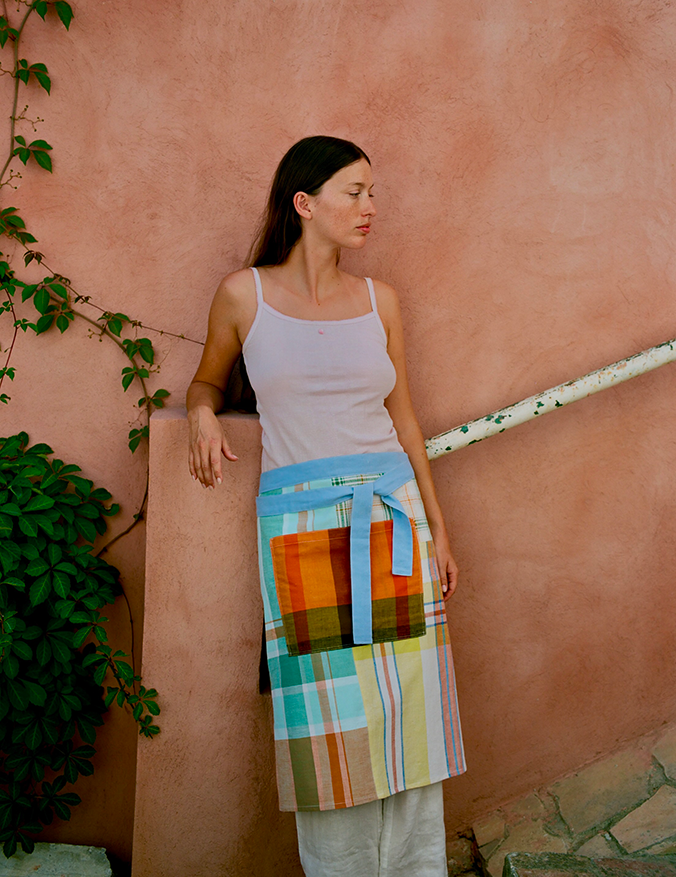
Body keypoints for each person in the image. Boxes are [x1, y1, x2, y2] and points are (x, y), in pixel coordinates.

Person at [186, 136, 466, 877]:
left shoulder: (381, 302)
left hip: (392, 518)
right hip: (300, 529)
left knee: (407, 713)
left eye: (373, 192)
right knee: (326, 723)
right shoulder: (242, 295)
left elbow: (405, 420)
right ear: (305, 203)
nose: (370, 207)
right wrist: (202, 415)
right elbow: (207, 380)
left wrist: (439, 530)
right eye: (355, 191)